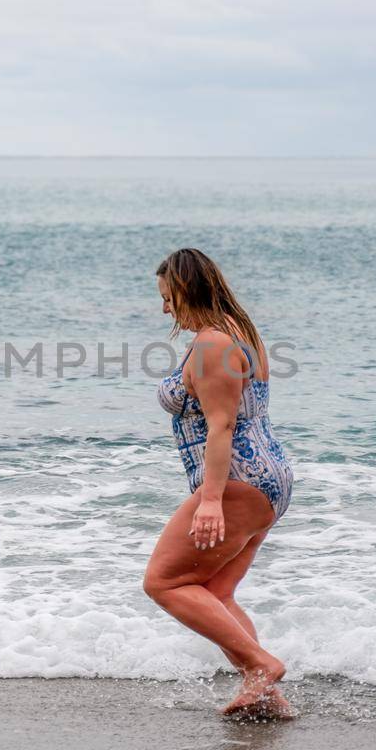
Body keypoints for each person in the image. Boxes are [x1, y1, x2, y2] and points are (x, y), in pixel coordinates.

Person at [146, 247, 296, 718]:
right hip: (268, 478)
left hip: (238, 480)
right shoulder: (241, 332)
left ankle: (261, 666)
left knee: (164, 583)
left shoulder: (213, 344)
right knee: (216, 593)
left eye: (168, 297)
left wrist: (210, 500)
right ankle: (266, 696)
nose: (164, 309)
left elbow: (221, 426)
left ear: (187, 290)